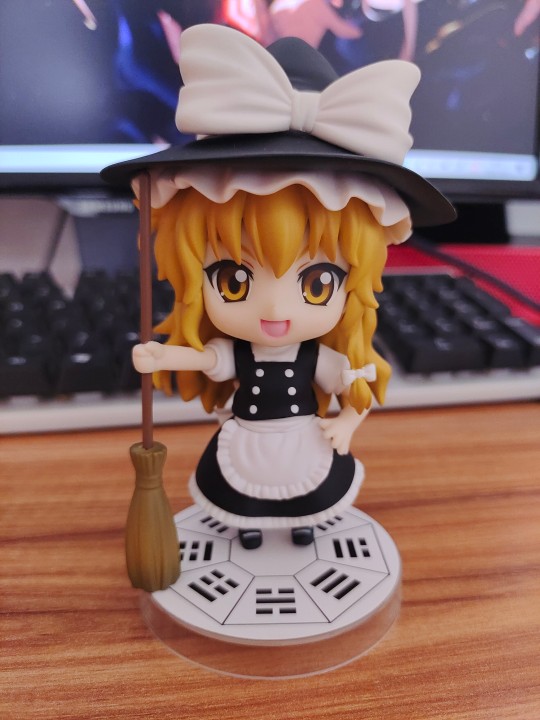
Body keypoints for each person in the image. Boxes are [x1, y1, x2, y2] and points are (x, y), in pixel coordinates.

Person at [102, 24, 454, 552]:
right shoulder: (239, 353)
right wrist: (161, 356)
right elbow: (209, 360)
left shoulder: (319, 359)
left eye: (317, 284)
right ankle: (247, 524)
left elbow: (355, 391)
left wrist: (346, 426)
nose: (273, 307)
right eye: (233, 281)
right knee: (241, 488)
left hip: (303, 441)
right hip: (247, 439)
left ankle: (304, 521)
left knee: (308, 488)